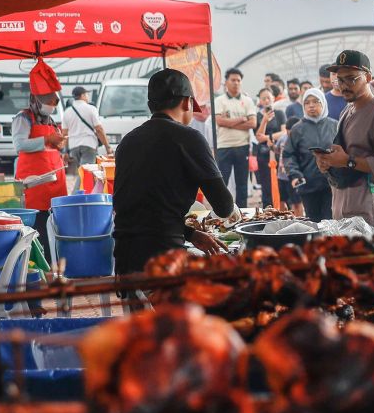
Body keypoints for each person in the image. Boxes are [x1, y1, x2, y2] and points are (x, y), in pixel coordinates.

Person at [112, 69, 240, 275]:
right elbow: (224, 207)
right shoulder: (190, 139)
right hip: (164, 263)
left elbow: (138, 210)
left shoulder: (128, 141)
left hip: (124, 262)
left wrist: (191, 234)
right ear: (186, 102)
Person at [315, 50, 374, 226]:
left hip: (369, 214)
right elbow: (344, 154)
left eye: (352, 78)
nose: (344, 85)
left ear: (368, 77)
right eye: (340, 80)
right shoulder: (347, 111)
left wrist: (348, 161)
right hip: (343, 209)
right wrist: (328, 162)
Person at [12, 59, 70, 256]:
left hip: (55, 185)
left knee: (55, 227)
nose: (50, 105)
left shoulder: (51, 120)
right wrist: (47, 138)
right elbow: (20, 145)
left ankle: (54, 263)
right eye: (46, 101)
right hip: (35, 186)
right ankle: (40, 265)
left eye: (53, 101)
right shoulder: (23, 118)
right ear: (36, 99)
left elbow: (51, 146)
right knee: (39, 231)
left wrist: (59, 146)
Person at [281, 88, 338, 222]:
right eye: (307, 103)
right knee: (313, 222)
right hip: (308, 185)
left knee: (329, 222)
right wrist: (295, 174)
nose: (311, 105)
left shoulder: (334, 126)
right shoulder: (297, 129)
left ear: (323, 103)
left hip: (332, 184)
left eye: (315, 101)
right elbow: (289, 154)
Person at [214, 68, 257, 208]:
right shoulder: (219, 100)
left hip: (242, 147)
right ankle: (221, 211)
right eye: (233, 80)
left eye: (238, 80)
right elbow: (219, 121)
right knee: (222, 182)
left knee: (242, 184)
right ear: (226, 82)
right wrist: (242, 119)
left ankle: (242, 212)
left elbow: (253, 123)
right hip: (223, 147)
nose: (236, 83)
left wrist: (230, 123)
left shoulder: (248, 101)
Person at [253, 87, 289, 210]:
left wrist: (267, 137)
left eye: (269, 97)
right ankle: (268, 210)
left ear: (273, 98)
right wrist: (264, 120)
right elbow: (258, 137)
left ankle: (284, 209)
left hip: (279, 152)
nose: (267, 100)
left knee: (281, 183)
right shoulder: (257, 116)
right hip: (263, 154)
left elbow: (284, 132)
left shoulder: (280, 113)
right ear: (260, 101)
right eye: (264, 98)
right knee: (266, 184)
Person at [63, 86, 110, 177]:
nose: (87, 96)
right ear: (83, 95)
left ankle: (85, 191)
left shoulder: (67, 112)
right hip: (88, 144)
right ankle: (76, 191)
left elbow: (64, 133)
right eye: (87, 94)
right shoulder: (91, 109)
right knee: (86, 174)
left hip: (74, 147)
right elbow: (99, 129)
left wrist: (65, 151)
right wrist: (107, 146)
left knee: (82, 172)